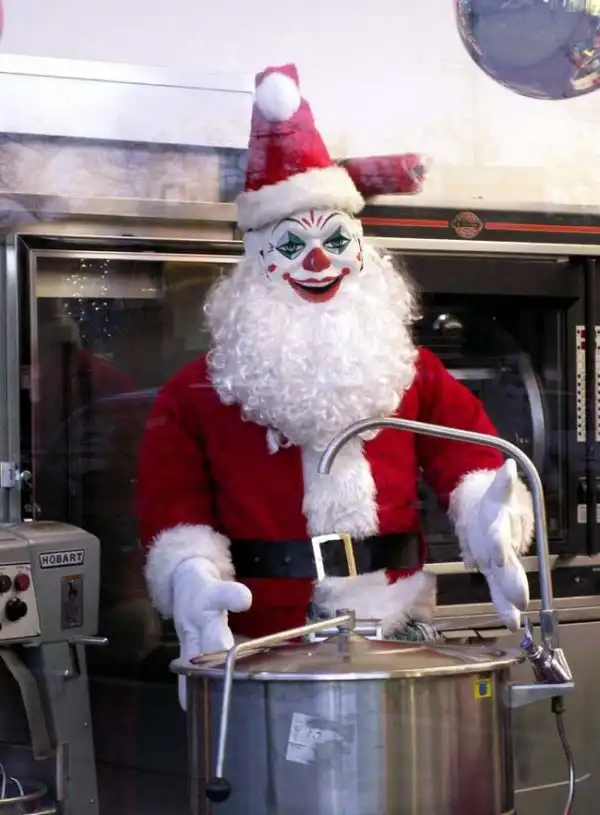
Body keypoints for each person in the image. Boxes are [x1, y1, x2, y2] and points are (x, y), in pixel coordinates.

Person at [136, 64, 534, 706]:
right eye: (292, 244)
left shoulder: (408, 368)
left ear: (361, 249)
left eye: (335, 239)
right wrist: (191, 580)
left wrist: (492, 524)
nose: (317, 262)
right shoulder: (197, 393)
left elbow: (471, 457)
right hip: (261, 641)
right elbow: (171, 505)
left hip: (396, 631)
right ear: (256, 261)